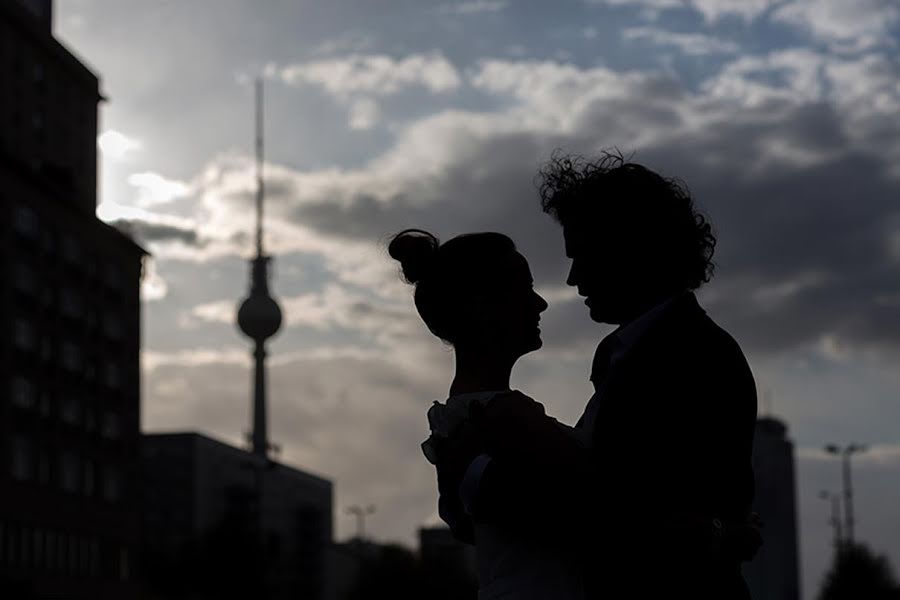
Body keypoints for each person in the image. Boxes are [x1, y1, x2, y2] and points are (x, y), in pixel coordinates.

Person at [436, 152, 761, 599]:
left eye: (582, 256)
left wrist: (473, 475)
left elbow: (608, 508)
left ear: (630, 250)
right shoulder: (647, 353)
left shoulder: (690, 356)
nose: (571, 278)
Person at [389, 229, 587, 600]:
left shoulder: (456, 422)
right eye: (525, 289)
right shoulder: (507, 420)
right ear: (483, 306)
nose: (540, 303)